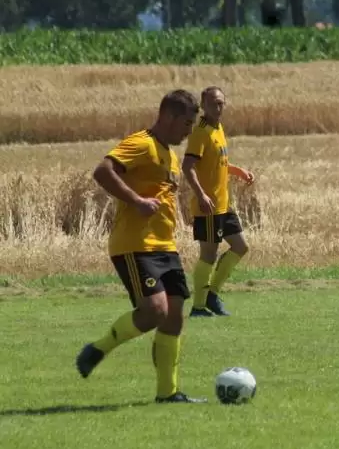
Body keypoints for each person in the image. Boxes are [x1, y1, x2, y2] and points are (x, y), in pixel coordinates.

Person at [75, 89, 207, 404]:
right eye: (186, 124)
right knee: (155, 311)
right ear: (169, 116)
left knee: (174, 316)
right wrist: (136, 200)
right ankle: (99, 348)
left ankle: (168, 393)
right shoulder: (141, 143)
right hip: (136, 245)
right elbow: (103, 171)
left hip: (166, 246)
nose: (189, 131)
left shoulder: (170, 155)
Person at [182, 86, 254, 318]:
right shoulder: (200, 132)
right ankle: (198, 306)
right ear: (203, 106)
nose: (218, 107)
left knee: (241, 247)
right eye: (213, 103)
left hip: (223, 204)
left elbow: (217, 163)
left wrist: (238, 171)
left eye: (221, 103)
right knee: (208, 255)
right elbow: (188, 166)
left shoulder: (218, 128)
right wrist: (201, 195)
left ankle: (211, 294)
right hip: (209, 206)